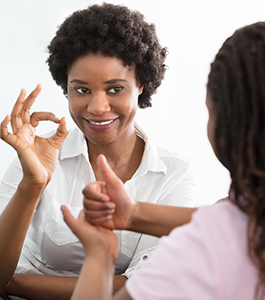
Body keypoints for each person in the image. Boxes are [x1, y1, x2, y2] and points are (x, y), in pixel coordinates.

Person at [0, 3, 196, 300]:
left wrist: (15, 284)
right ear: (66, 87)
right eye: (82, 90)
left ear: (140, 84)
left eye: (115, 89)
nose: (97, 107)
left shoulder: (174, 173)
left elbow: (148, 288)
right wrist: (33, 184)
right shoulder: (37, 156)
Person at [61, 21, 265, 300]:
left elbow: (226, 225)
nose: (98, 107)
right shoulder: (240, 220)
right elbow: (236, 217)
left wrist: (99, 257)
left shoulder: (206, 248)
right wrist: (132, 214)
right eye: (82, 89)